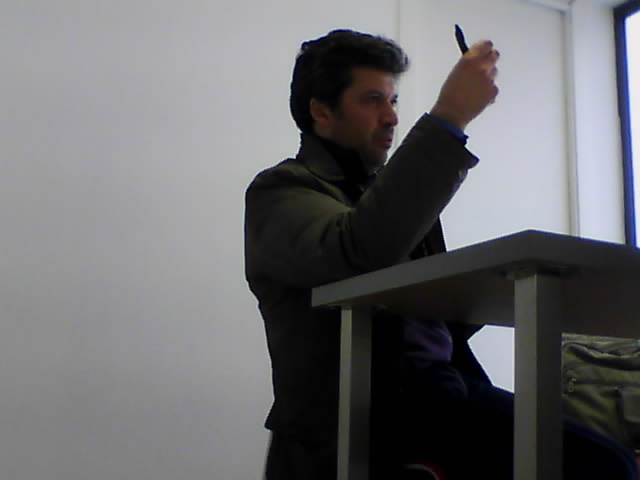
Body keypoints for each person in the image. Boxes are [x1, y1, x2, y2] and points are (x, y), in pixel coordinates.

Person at [244, 29, 639, 480]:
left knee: (608, 459)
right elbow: (356, 252)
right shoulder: (280, 191)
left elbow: (425, 310)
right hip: (366, 415)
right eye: (373, 100)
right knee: (603, 465)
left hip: (440, 392)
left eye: (393, 100)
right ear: (321, 111)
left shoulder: (383, 193)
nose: (391, 116)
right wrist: (450, 114)